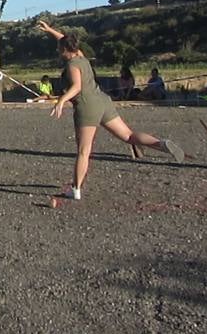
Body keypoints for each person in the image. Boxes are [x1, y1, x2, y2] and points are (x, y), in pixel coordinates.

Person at [38, 20, 183, 200]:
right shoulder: (81, 56)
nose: (58, 51)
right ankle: (160, 144)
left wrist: (61, 100)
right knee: (128, 136)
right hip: (103, 101)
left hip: (87, 106)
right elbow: (64, 39)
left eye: (59, 49)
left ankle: (75, 189)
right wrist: (49, 30)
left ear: (64, 50)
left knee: (84, 150)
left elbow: (76, 86)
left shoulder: (71, 65)